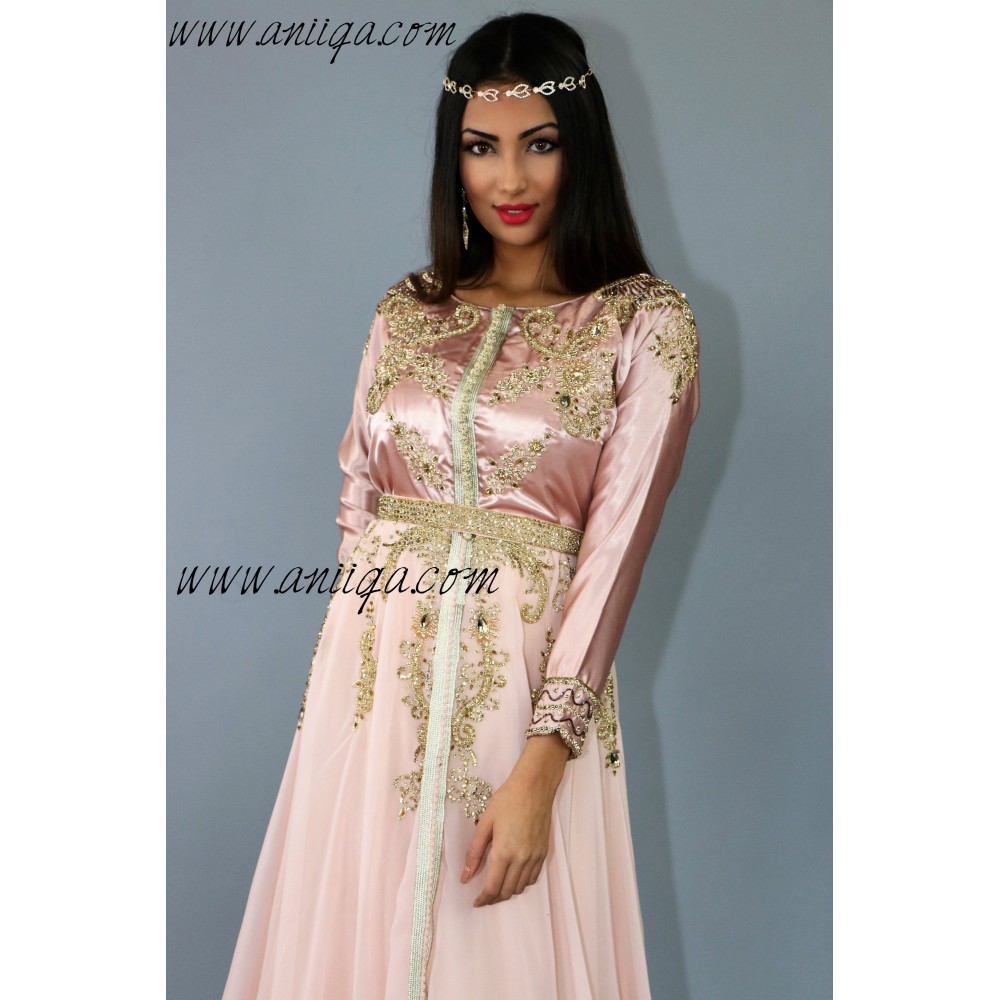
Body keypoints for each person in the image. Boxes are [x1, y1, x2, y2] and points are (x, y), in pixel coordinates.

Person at [221, 12, 700, 1000]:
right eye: (481, 148)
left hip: (523, 705)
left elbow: (612, 558)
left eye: (539, 144)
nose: (509, 179)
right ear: (454, 156)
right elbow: (358, 514)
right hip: (372, 704)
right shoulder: (406, 310)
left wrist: (543, 761)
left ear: (582, 146)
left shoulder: (643, 324)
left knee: (495, 950)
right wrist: (345, 718)